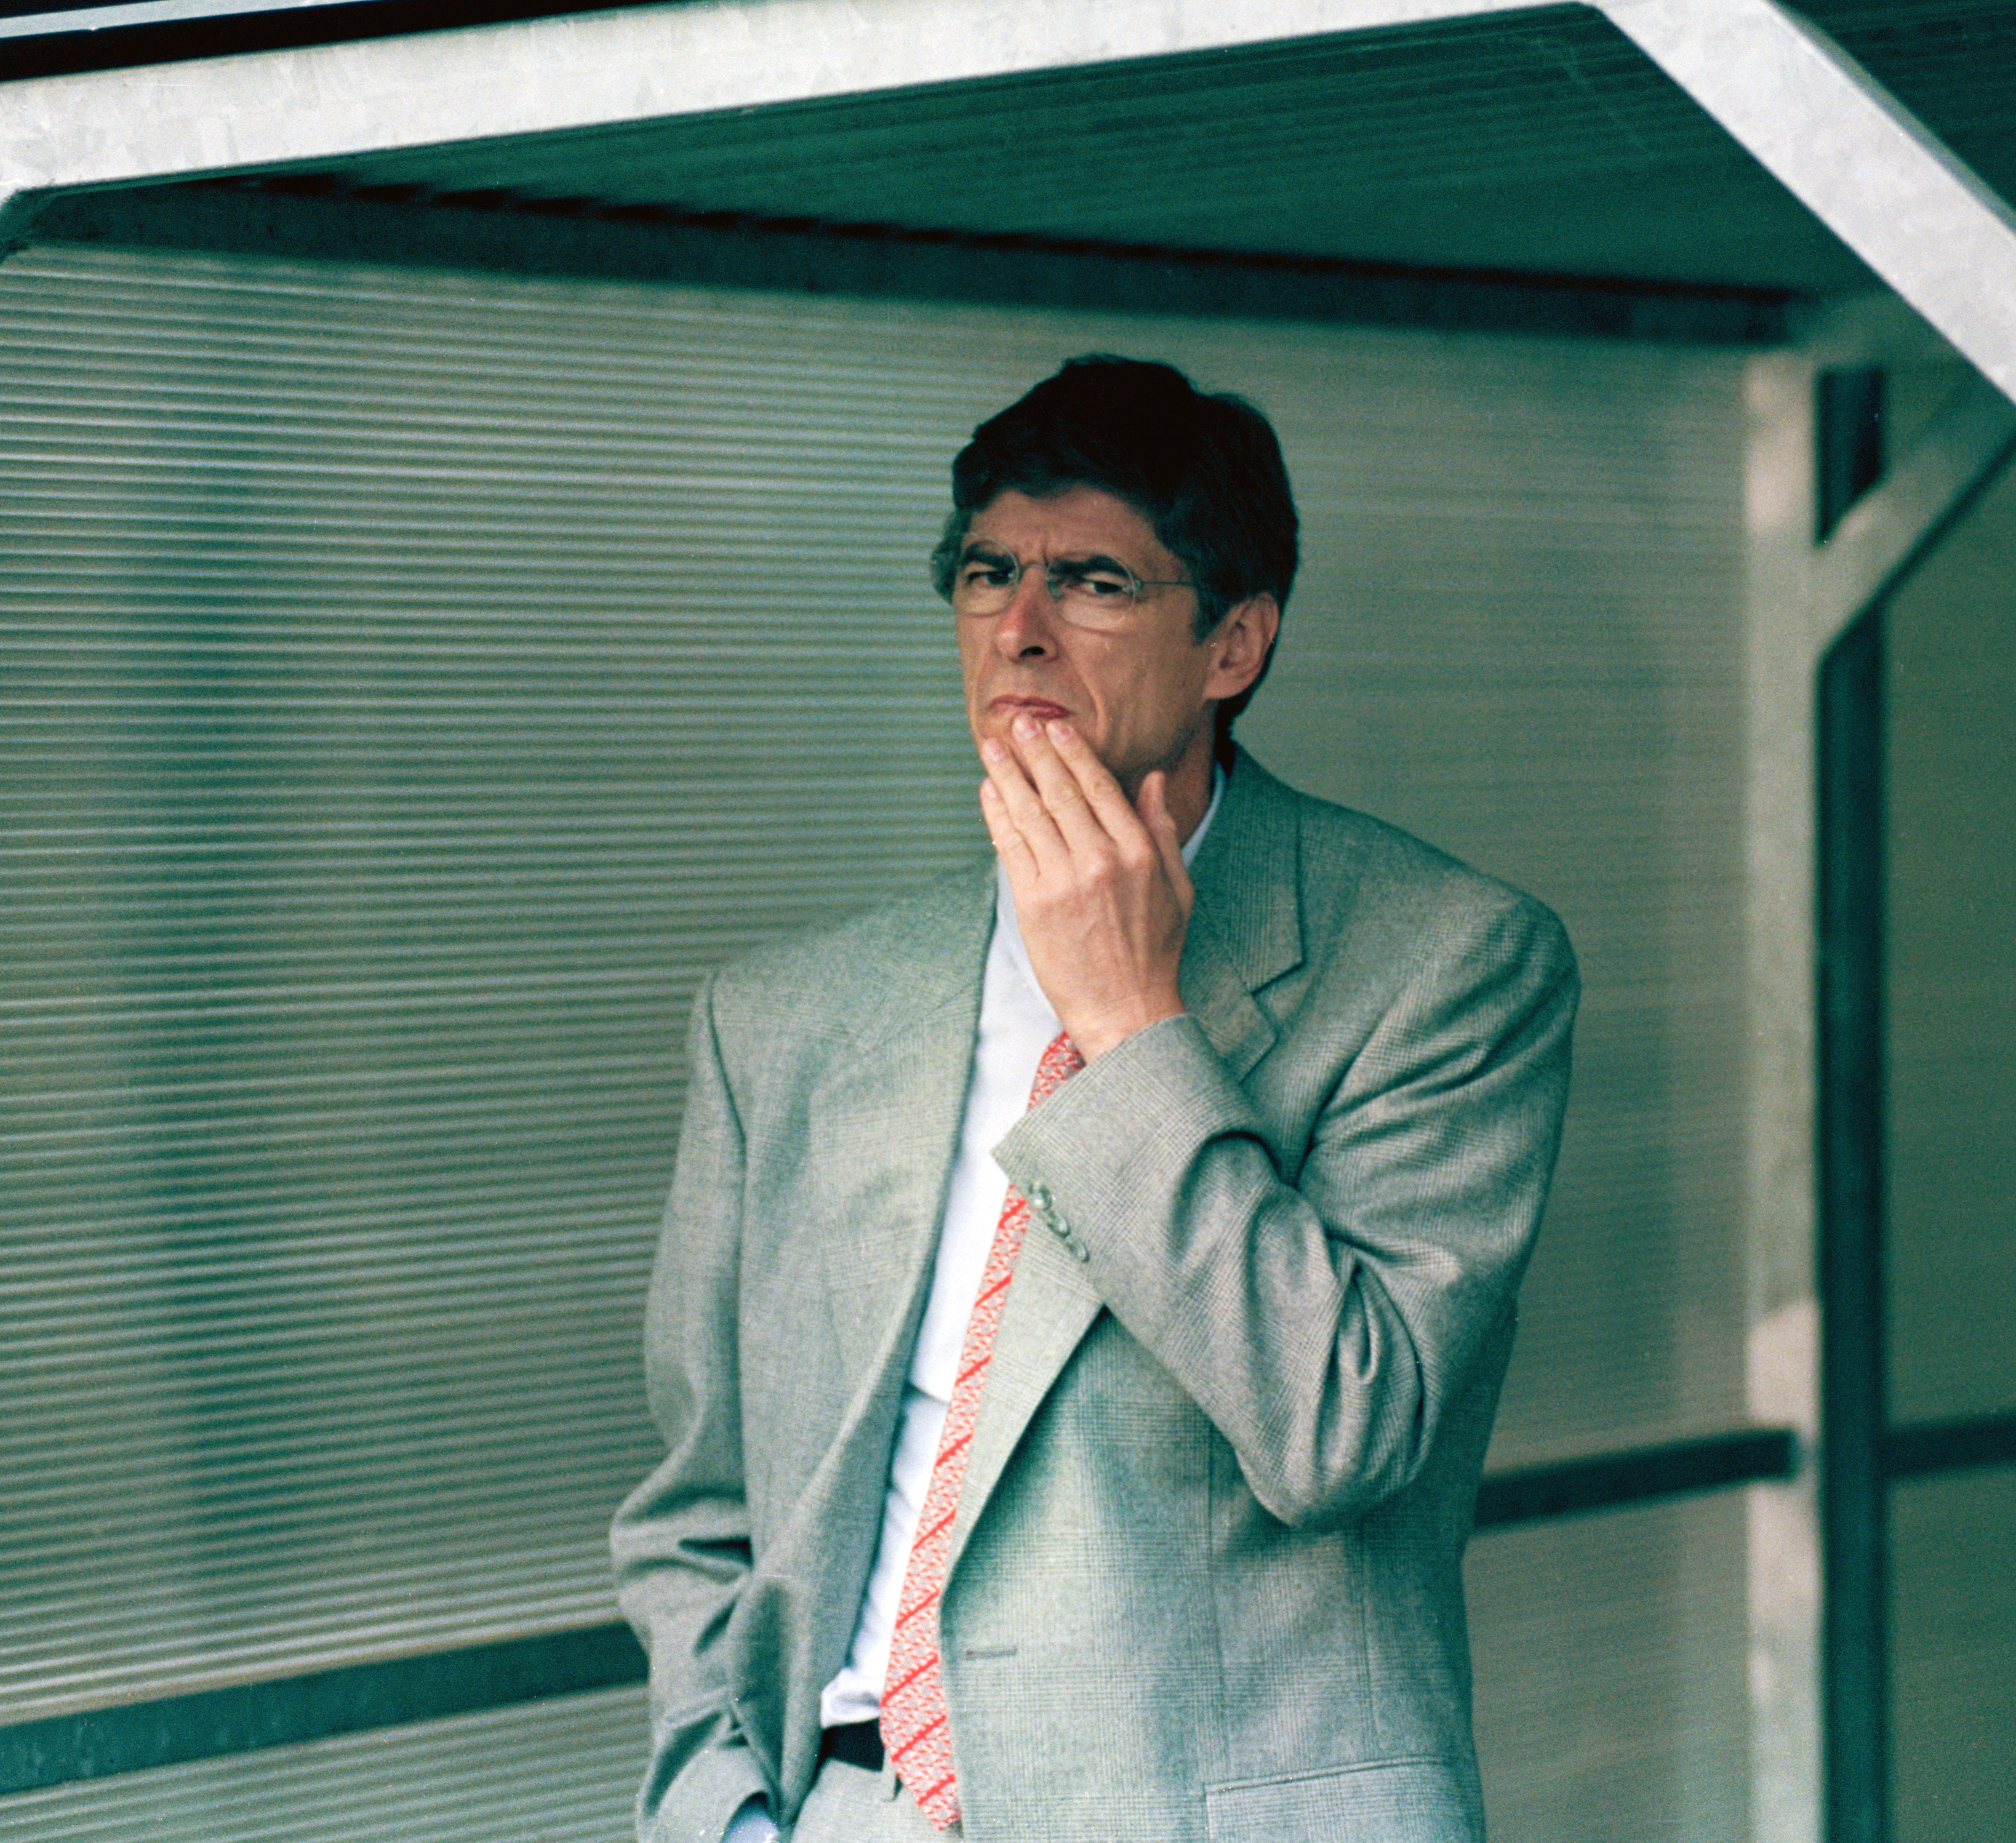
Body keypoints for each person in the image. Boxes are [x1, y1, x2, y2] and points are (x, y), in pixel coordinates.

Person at [613, 355, 1576, 1842]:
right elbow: (699, 1511)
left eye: (1094, 583)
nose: (1018, 628)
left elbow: (1343, 1434)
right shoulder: (787, 1018)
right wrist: (726, 1812)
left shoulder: (1446, 962)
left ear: (1232, 645)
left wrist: (1130, 1023)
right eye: (985, 571)